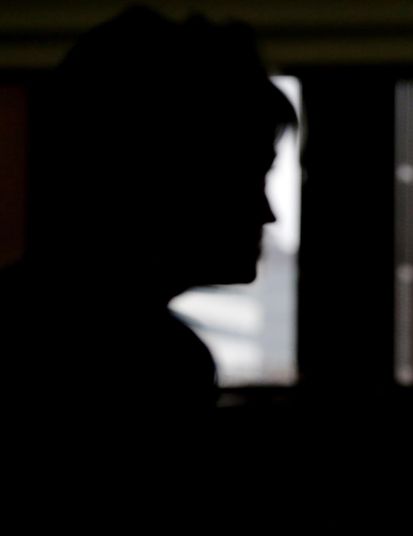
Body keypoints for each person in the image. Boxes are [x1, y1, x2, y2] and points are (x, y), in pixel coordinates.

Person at [0, 6, 296, 417]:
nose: (267, 214)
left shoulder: (34, 326)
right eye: (248, 178)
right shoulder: (156, 363)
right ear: (160, 177)